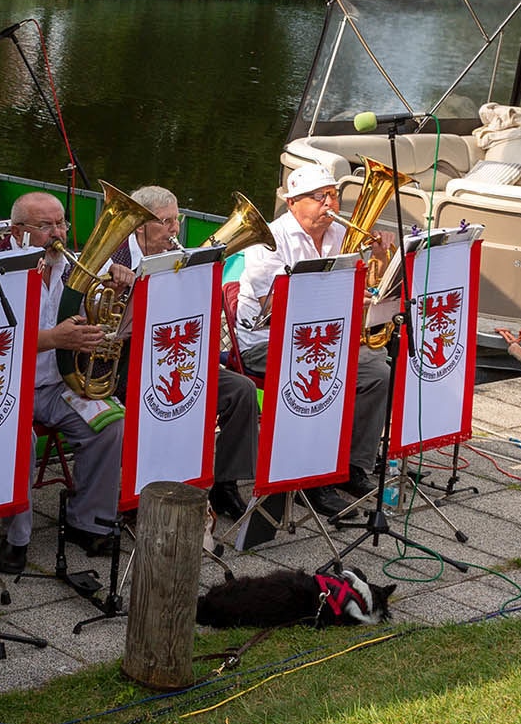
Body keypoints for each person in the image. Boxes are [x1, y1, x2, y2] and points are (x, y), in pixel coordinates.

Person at [108, 183, 264, 539]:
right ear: (139, 226)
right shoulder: (113, 259)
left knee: (240, 390)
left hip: (172, 358)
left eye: (176, 220)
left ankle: (225, 483)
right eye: (165, 223)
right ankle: (139, 494)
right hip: (126, 363)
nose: (175, 230)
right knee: (157, 401)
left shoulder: (178, 255)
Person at [232, 164, 389, 515]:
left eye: (333, 194)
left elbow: (362, 287)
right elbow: (271, 307)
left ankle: (351, 466)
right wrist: (339, 297)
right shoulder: (268, 240)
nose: (330, 204)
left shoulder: (339, 237)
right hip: (264, 340)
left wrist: (379, 258)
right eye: (320, 197)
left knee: (377, 374)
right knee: (325, 373)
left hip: (318, 337)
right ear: (292, 203)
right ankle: (310, 478)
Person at [0, 192, 124, 574]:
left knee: (112, 423)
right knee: (22, 440)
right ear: (18, 231)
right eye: (45, 226)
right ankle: (15, 539)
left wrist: (110, 300)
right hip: (5, 387)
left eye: (62, 223)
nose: (58, 234)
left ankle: (88, 521)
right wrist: (54, 339)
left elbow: (86, 322)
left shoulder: (71, 268)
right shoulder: (2, 269)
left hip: (57, 385)